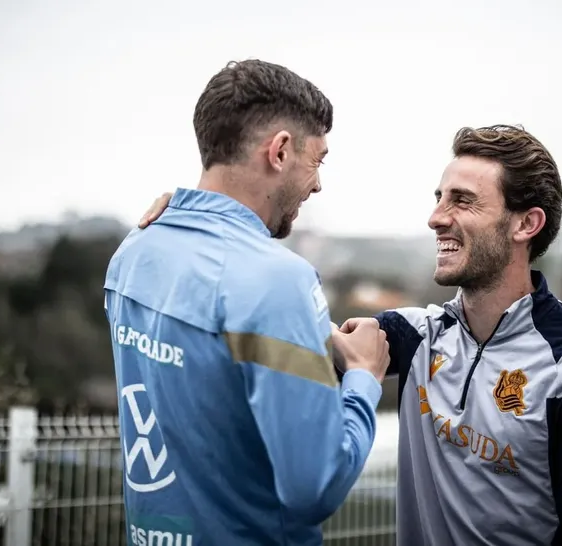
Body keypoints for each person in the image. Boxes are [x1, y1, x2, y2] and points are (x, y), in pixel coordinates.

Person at [139, 124, 562, 545]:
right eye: (439, 198)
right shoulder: (419, 335)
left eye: (461, 201)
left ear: (527, 223)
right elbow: (283, 331)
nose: (436, 216)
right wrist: (201, 217)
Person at [105, 59, 391, 546]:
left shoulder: (136, 249)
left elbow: (208, 372)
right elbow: (313, 488)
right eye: (317, 160)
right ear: (279, 151)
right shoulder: (277, 280)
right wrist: (365, 377)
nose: (317, 184)